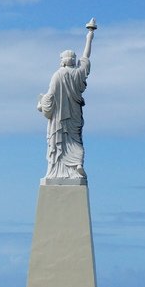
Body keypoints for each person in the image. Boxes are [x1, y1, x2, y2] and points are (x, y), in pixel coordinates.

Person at [38, 19, 96, 180]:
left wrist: (42, 105)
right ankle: (78, 164)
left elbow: (49, 97)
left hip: (60, 119)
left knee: (60, 145)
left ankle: (58, 171)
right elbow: (86, 56)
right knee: (76, 141)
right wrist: (89, 37)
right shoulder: (78, 73)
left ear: (63, 60)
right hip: (75, 115)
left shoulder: (58, 75)